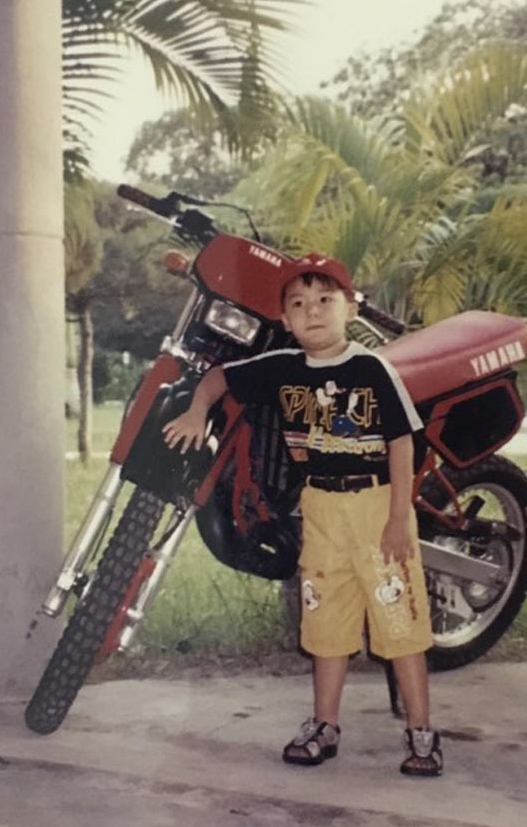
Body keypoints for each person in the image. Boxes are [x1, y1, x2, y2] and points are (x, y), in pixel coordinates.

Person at [162, 253, 442, 777]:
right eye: (298, 304)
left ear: (351, 309)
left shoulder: (369, 368)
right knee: (325, 620)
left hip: (377, 507)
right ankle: (324, 725)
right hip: (320, 511)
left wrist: (400, 516)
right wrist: (196, 411)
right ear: (285, 320)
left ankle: (422, 731)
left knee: (399, 621)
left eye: (325, 300)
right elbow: (219, 378)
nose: (312, 312)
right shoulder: (284, 368)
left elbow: (402, 440)